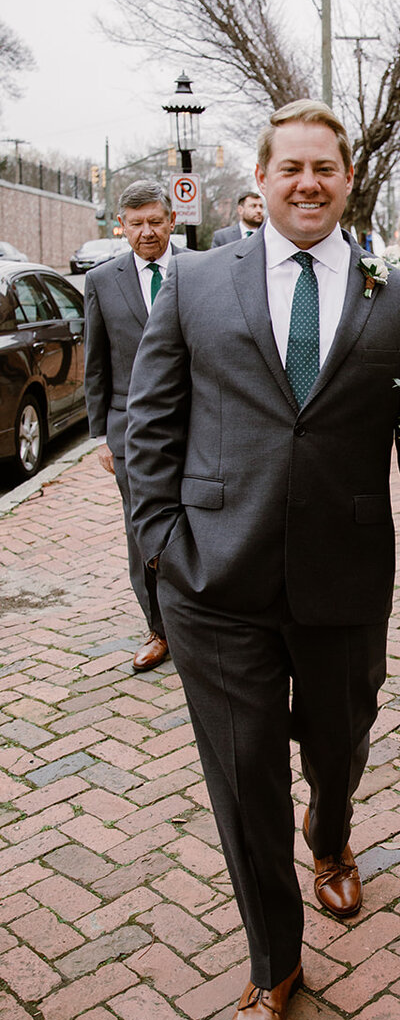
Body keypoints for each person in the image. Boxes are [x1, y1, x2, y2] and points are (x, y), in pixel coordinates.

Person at [125, 99, 400, 1020]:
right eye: (291, 168)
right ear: (261, 181)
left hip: (344, 581)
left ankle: (334, 830)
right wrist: (159, 548)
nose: (308, 182)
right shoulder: (192, 283)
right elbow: (150, 424)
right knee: (242, 784)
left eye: (327, 167)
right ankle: (273, 968)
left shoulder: (397, 298)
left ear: (347, 179)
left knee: (339, 742)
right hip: (212, 583)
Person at [84, 181, 181, 673]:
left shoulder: (199, 270)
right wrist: (101, 435)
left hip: (196, 423)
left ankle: (200, 622)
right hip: (129, 432)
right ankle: (159, 628)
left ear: (172, 220)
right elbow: (96, 363)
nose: (147, 232)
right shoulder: (102, 281)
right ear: (122, 226)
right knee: (142, 531)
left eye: (155, 221)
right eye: (136, 223)